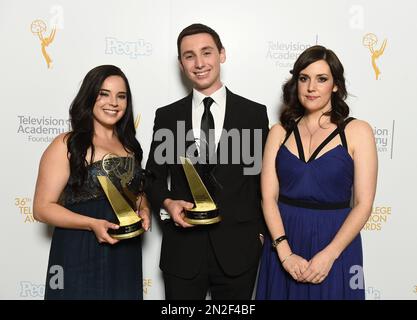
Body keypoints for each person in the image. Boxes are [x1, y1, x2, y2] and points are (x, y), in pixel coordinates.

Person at [145, 23, 269, 299]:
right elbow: (151, 176)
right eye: (189, 56)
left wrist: (260, 234)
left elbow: (264, 180)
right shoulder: (167, 116)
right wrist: (167, 203)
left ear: (221, 54)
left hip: (239, 252)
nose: (199, 63)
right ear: (180, 63)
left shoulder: (254, 114)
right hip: (182, 251)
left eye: (206, 52)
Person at [255, 45, 377, 300]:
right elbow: (268, 198)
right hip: (283, 241)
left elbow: (364, 204)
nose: (311, 87)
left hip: (336, 243)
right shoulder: (279, 132)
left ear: (335, 85)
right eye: (304, 78)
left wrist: (330, 254)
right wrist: (285, 253)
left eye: (321, 79)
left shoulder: (358, 132)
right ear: (296, 83)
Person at [33, 65, 151, 300]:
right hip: (79, 249)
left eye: (121, 96)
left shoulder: (130, 146)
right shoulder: (68, 144)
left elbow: (135, 193)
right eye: (104, 94)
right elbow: (41, 208)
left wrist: (144, 207)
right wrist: (91, 224)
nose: (113, 102)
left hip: (125, 252)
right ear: (89, 97)